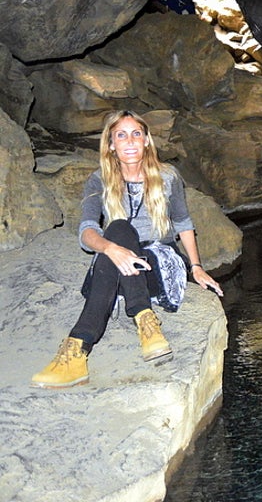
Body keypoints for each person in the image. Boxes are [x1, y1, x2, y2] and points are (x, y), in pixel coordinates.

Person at [31, 110, 223, 389]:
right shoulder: (99, 180)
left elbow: (182, 223)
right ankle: (141, 320)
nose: (130, 141)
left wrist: (196, 267)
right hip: (119, 262)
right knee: (118, 230)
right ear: (111, 144)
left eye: (136, 134)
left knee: (117, 233)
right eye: (121, 135)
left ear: (146, 140)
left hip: (157, 265)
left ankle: (80, 348)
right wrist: (111, 248)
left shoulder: (168, 176)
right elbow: (86, 231)